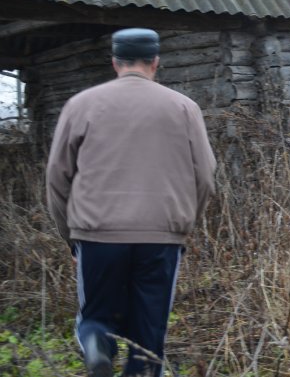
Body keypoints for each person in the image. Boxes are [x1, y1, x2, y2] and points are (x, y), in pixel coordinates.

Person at [46, 28, 217, 377]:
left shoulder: (80, 105)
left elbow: (56, 176)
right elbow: (205, 176)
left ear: (114, 62)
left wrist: (70, 235)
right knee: (149, 331)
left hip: (96, 235)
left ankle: (96, 344)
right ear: (156, 62)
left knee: (95, 316)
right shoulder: (184, 107)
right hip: (161, 237)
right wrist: (183, 225)